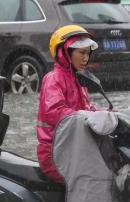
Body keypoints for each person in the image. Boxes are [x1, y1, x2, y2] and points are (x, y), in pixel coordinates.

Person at [36, 25, 98, 185]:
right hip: (56, 153)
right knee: (91, 180)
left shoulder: (79, 80)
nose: (86, 58)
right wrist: (87, 117)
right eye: (81, 53)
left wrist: (112, 114)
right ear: (65, 53)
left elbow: (87, 109)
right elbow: (55, 112)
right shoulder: (53, 79)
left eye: (88, 53)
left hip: (74, 148)